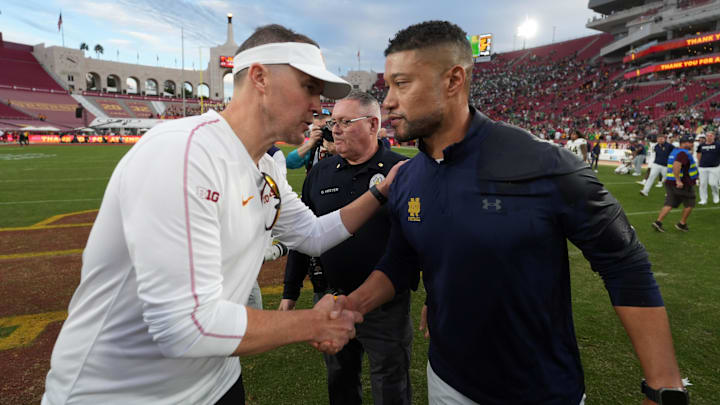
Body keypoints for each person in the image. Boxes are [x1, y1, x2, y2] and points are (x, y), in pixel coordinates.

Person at [42, 24, 405, 405]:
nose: (319, 107)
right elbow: (183, 326)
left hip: (216, 381)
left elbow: (312, 234)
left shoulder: (265, 166)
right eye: (309, 88)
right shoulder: (182, 154)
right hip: (122, 393)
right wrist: (311, 322)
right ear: (260, 77)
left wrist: (379, 191)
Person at [339, 20, 686, 405]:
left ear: (453, 80)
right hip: (445, 379)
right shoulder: (406, 178)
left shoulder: (545, 163)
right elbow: (400, 261)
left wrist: (663, 385)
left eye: (401, 83)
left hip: (540, 389)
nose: (387, 100)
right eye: (387, 85)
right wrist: (352, 306)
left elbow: (624, 262)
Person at [280, 90, 411, 405]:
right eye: (332, 122)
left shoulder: (402, 172)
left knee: (390, 384)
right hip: (330, 297)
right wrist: (290, 291)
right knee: (340, 381)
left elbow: (423, 240)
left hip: (385, 305)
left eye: (345, 122)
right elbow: (303, 235)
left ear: (372, 124)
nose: (334, 129)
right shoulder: (320, 173)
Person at [653, 135, 698, 232]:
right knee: (690, 203)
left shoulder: (676, 151)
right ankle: (682, 223)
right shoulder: (683, 153)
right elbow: (676, 166)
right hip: (682, 183)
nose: (692, 144)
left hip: (670, 181)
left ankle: (658, 222)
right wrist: (678, 180)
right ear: (684, 143)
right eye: (690, 142)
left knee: (670, 203)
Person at [286, 107, 335, 171]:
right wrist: (309, 144)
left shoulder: (340, 139)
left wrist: (335, 151)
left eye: (323, 117)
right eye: (317, 117)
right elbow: (289, 163)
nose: (320, 121)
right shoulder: (312, 145)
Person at [695, 130, 720, 205]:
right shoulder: (701, 145)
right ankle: (703, 199)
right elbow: (698, 154)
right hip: (703, 167)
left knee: (713, 184)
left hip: (714, 167)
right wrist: (700, 163)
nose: (709, 137)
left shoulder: (718, 145)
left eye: (711, 136)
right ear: (706, 137)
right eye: (707, 136)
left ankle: (716, 196)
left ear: (714, 137)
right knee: (702, 184)